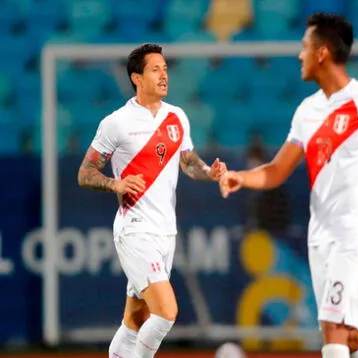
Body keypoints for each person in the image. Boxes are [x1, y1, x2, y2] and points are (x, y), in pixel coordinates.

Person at [219, 13, 358, 358]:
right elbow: (277, 170)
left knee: (332, 328)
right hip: (319, 237)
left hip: (355, 235)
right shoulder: (307, 110)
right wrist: (240, 177)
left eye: (304, 47)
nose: (299, 55)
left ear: (322, 53)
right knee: (349, 334)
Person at [77, 43, 226, 358]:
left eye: (165, 69)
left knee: (136, 319)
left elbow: (188, 162)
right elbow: (86, 172)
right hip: (135, 229)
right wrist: (115, 183)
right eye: (155, 69)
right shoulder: (116, 122)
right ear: (136, 77)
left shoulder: (177, 117)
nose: (163, 75)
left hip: (165, 232)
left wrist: (208, 172)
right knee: (166, 312)